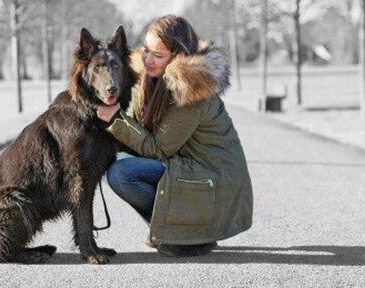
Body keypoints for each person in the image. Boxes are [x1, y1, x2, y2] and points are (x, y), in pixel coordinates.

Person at [97, 15, 253, 257]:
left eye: (157, 55)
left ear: (178, 56)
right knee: (117, 165)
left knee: (122, 174)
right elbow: (139, 135)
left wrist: (116, 119)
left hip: (213, 181)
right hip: (188, 168)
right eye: (147, 51)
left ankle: (186, 236)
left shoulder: (191, 89)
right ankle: (179, 233)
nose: (148, 59)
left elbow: (158, 149)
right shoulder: (149, 80)